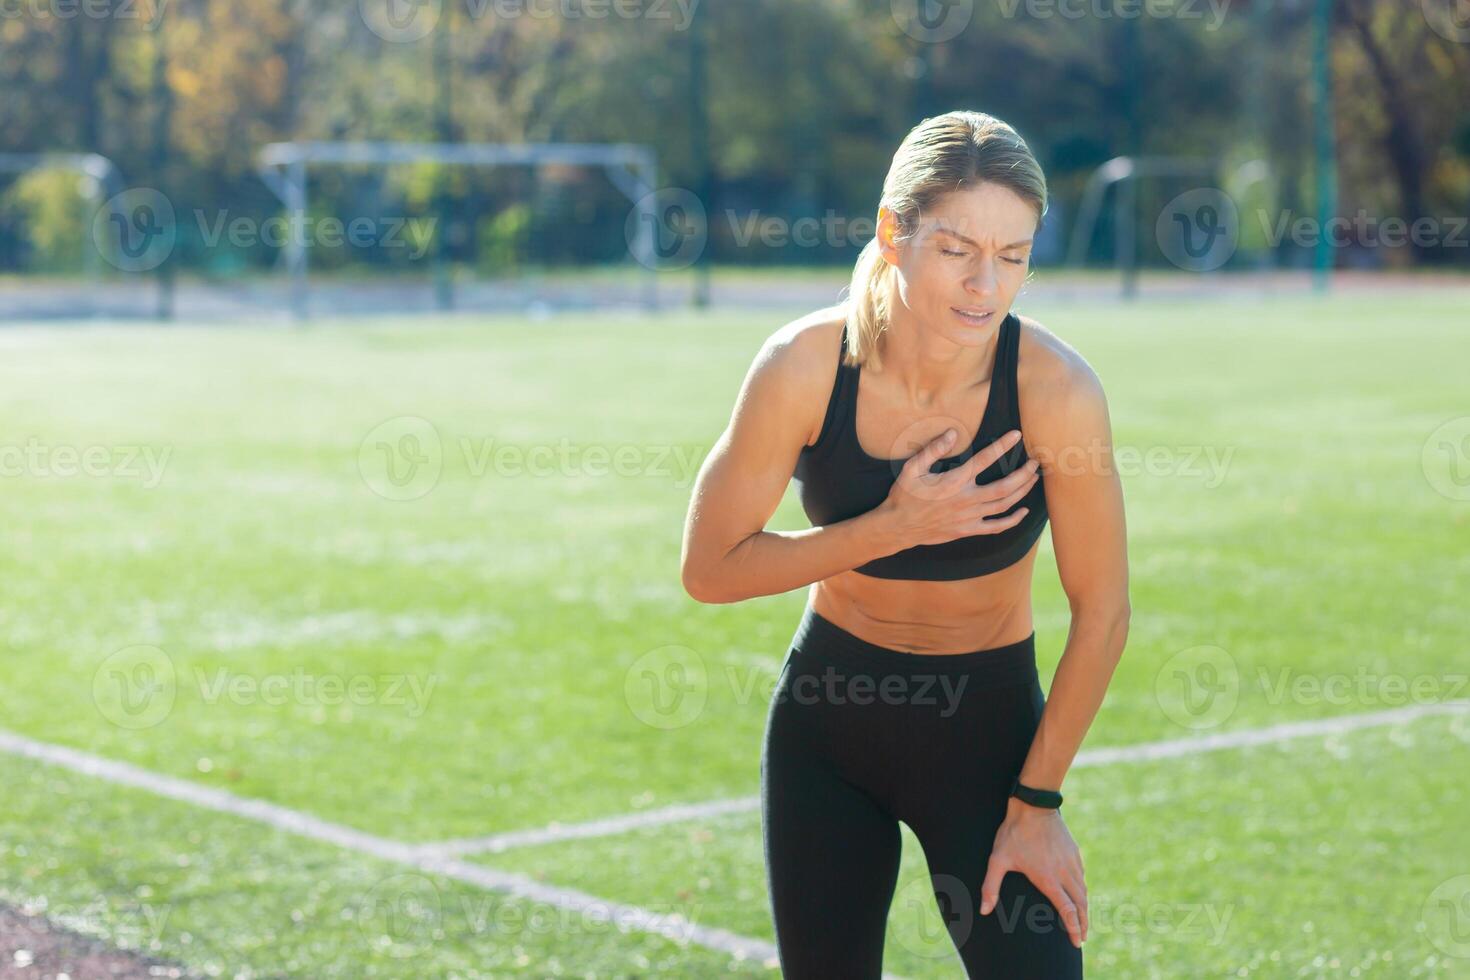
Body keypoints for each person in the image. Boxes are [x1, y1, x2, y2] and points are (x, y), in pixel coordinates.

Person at [680, 110, 1129, 978]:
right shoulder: (804, 366)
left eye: (1013, 256)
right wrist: (892, 527)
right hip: (831, 724)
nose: (984, 286)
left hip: (990, 737)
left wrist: (1037, 800)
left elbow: (1103, 611)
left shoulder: (1057, 391)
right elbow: (709, 569)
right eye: (958, 249)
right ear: (894, 233)